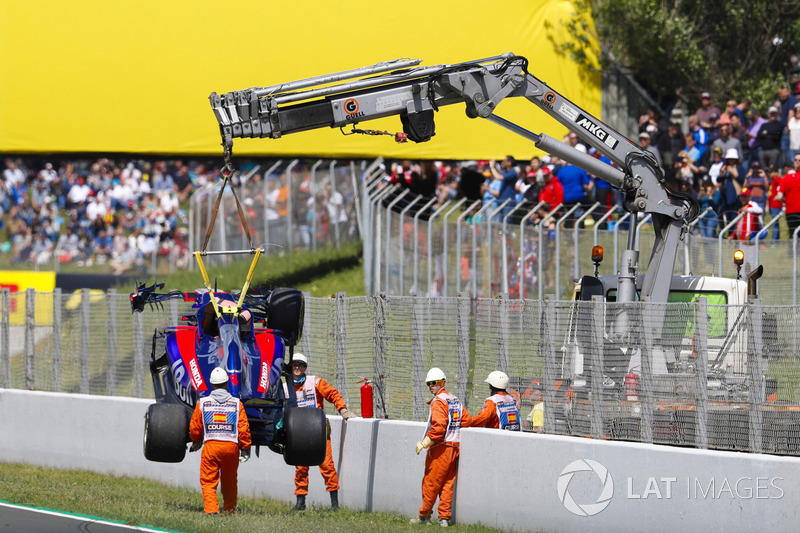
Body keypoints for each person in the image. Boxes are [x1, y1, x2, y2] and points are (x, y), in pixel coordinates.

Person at [284, 353, 355, 512]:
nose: (297, 367)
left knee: (327, 466)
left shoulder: (314, 382)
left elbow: (333, 394)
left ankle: (335, 506)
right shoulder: (285, 388)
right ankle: (300, 504)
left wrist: (343, 410)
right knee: (300, 469)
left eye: (300, 365)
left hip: (319, 432)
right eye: (294, 365)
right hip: (298, 435)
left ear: (305, 368)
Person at [411, 367, 472, 527]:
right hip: (455, 447)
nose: (431, 386)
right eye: (429, 384)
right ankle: (444, 518)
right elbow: (466, 421)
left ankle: (424, 517)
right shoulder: (454, 399)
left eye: (434, 383)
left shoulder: (438, 402)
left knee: (431, 483)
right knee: (447, 483)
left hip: (441, 448)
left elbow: (438, 429)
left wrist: (425, 442)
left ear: (442, 383)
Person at [189, 367, 251, 515]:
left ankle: (211, 510)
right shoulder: (237, 403)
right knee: (230, 482)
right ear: (226, 383)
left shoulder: (203, 403)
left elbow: (195, 428)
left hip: (211, 446)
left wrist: (196, 440)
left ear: (211, 384)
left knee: (208, 480)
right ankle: (229, 511)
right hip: (231, 448)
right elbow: (244, 429)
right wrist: (246, 447)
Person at [775, 154, 800, 239]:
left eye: (798, 160)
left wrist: (785, 202)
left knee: (793, 235)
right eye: (795, 160)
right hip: (791, 211)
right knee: (793, 235)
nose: (796, 162)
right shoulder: (785, 179)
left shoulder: (785, 179)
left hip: (791, 211)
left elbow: (778, 197)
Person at [757, 106, 785, 172]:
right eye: (771, 113)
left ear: (777, 114)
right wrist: (770, 134)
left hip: (774, 151)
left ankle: (772, 181)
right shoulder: (764, 125)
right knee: (764, 170)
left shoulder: (780, 124)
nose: (773, 115)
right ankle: (766, 181)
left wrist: (767, 133)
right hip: (763, 151)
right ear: (768, 114)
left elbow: (777, 132)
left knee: (772, 168)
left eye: (774, 113)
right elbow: (759, 135)